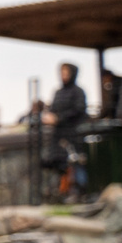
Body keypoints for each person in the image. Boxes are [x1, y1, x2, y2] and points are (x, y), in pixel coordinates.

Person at [48, 61, 92, 194]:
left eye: (66, 73)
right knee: (60, 165)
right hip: (59, 135)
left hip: (74, 133)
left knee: (77, 162)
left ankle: (80, 190)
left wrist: (59, 118)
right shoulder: (58, 92)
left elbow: (79, 110)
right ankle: (61, 191)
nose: (64, 76)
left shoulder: (78, 92)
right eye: (62, 73)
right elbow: (53, 108)